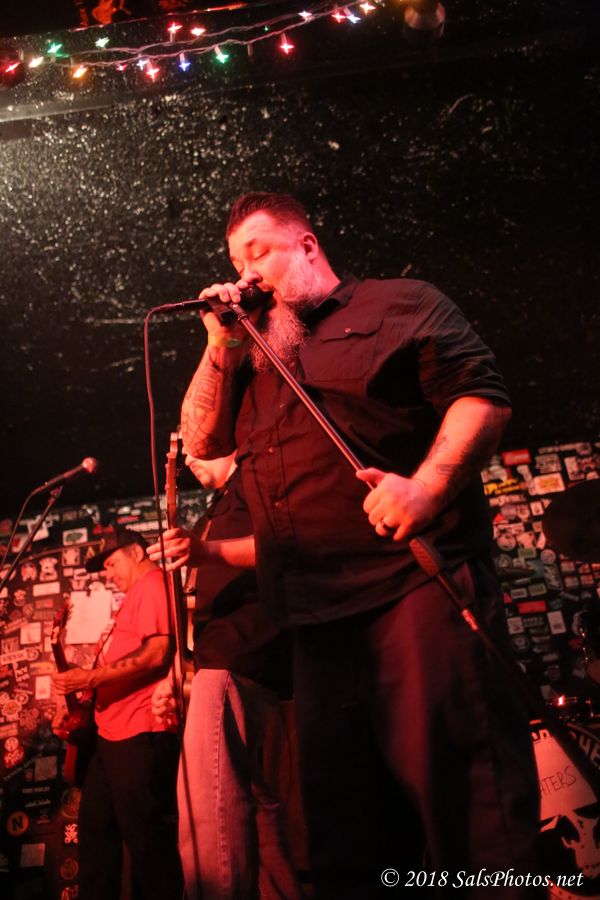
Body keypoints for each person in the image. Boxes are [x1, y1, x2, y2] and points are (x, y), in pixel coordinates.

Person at [172, 191, 542, 898]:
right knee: (347, 838)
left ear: (307, 245)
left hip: (414, 591)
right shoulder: (253, 356)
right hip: (315, 623)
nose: (245, 275)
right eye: (235, 263)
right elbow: (201, 442)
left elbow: (482, 395)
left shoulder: (398, 303)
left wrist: (426, 488)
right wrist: (219, 341)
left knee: (468, 812)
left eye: (258, 253)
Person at [148, 454, 302, 900]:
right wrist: (176, 672)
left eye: (199, 446)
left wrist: (207, 551)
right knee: (253, 810)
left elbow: (285, 545)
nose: (189, 457)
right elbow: (196, 604)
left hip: (240, 656)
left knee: (208, 809)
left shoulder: (255, 478)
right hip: (221, 661)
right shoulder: (215, 509)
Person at [51, 526, 183, 900]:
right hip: (109, 733)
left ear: (137, 553)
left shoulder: (154, 583)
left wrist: (89, 677)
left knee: (146, 840)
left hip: (139, 731)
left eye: (111, 563)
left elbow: (158, 653)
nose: (108, 574)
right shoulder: (131, 598)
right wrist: (78, 699)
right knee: (96, 831)